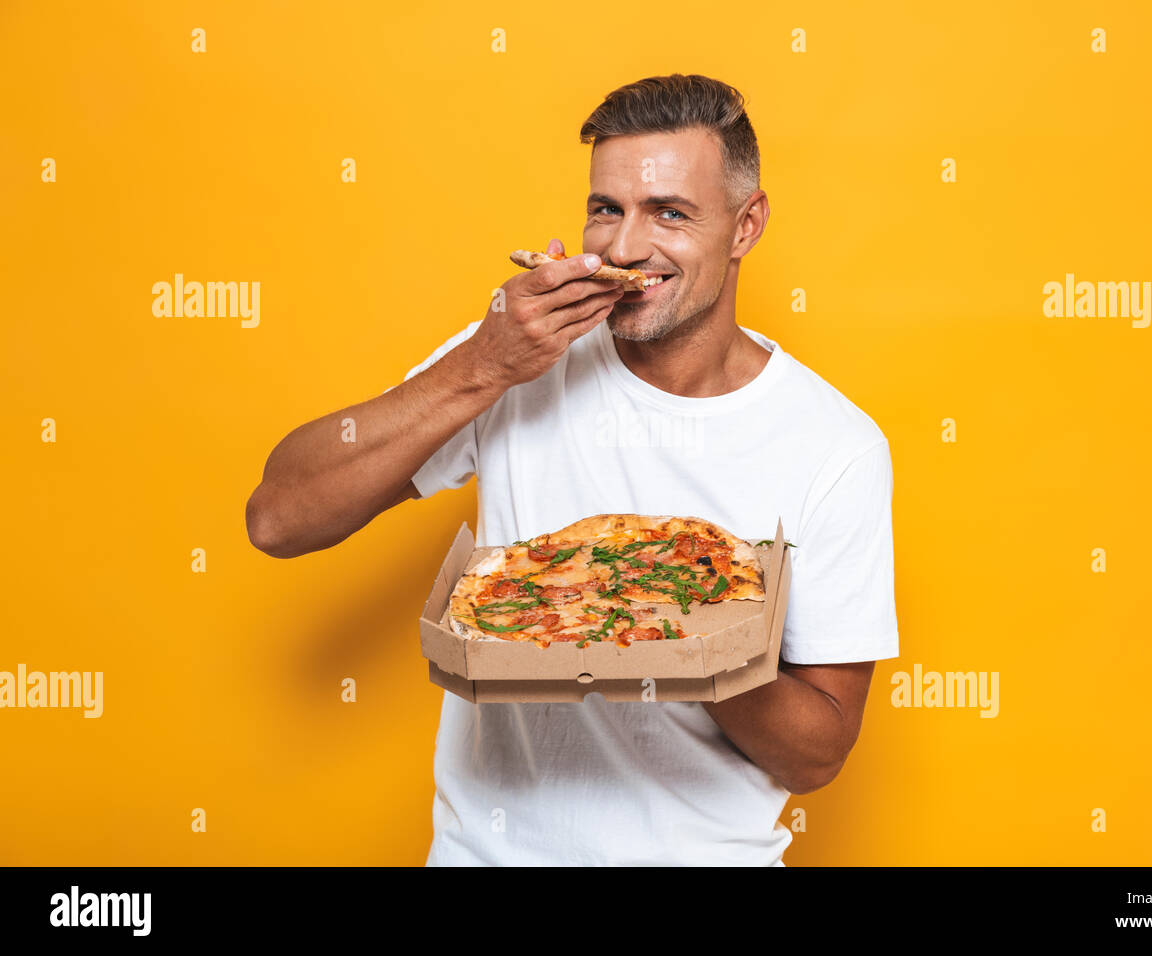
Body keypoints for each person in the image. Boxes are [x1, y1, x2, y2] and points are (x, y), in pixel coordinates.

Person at [245, 74, 899, 866]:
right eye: (606, 209)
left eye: (670, 213)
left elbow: (816, 756)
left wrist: (683, 627)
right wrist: (482, 368)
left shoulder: (833, 444)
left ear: (745, 225)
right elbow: (277, 518)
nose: (623, 248)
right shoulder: (517, 355)